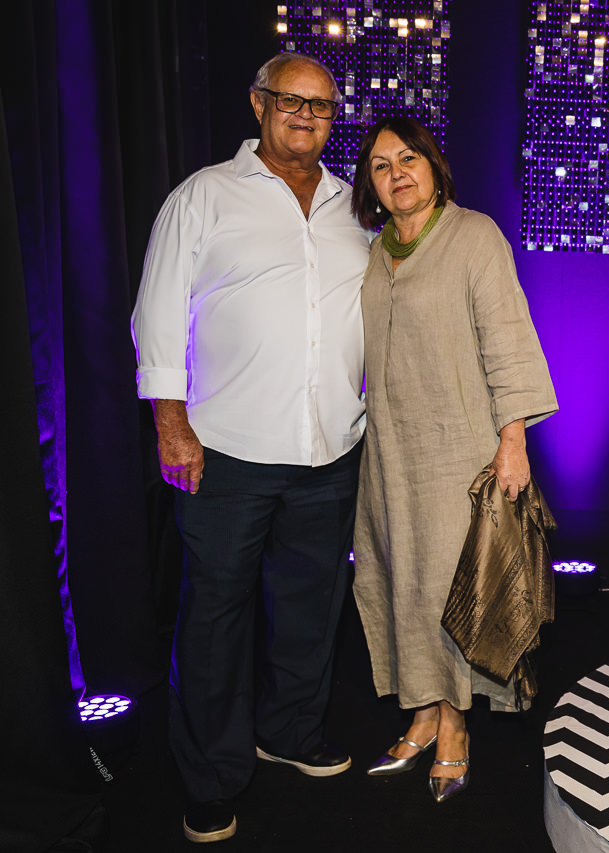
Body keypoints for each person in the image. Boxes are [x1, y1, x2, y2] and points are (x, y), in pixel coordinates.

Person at [130, 52, 371, 843]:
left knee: (311, 606)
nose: (306, 115)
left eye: (322, 105)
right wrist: (171, 424)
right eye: (289, 99)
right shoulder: (203, 196)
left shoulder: (351, 205)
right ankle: (210, 776)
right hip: (225, 451)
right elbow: (157, 312)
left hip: (330, 450)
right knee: (214, 619)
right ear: (258, 104)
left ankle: (290, 731)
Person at [349, 116, 557, 803]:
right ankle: (421, 710)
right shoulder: (373, 253)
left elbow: (508, 340)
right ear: (371, 185)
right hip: (388, 455)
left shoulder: (474, 236)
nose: (397, 173)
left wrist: (512, 441)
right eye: (381, 165)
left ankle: (455, 724)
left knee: (448, 587)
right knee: (397, 581)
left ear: (434, 168)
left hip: (458, 450)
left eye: (409, 158)